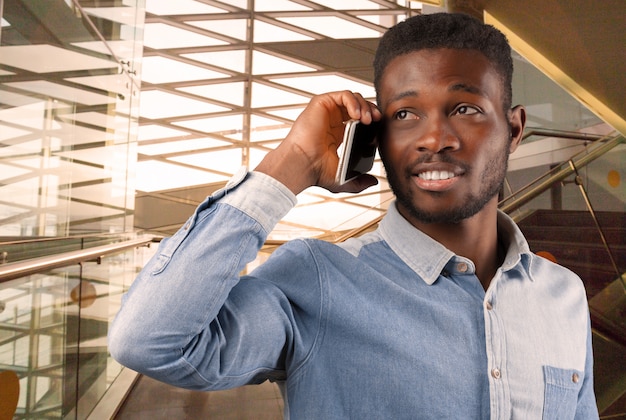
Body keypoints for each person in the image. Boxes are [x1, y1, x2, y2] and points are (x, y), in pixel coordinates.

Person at [109, 12, 598, 419]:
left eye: (465, 108)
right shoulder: (319, 280)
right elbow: (149, 341)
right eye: (405, 115)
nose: (434, 139)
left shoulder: (564, 295)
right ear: (377, 136)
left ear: (513, 129)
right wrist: (292, 162)